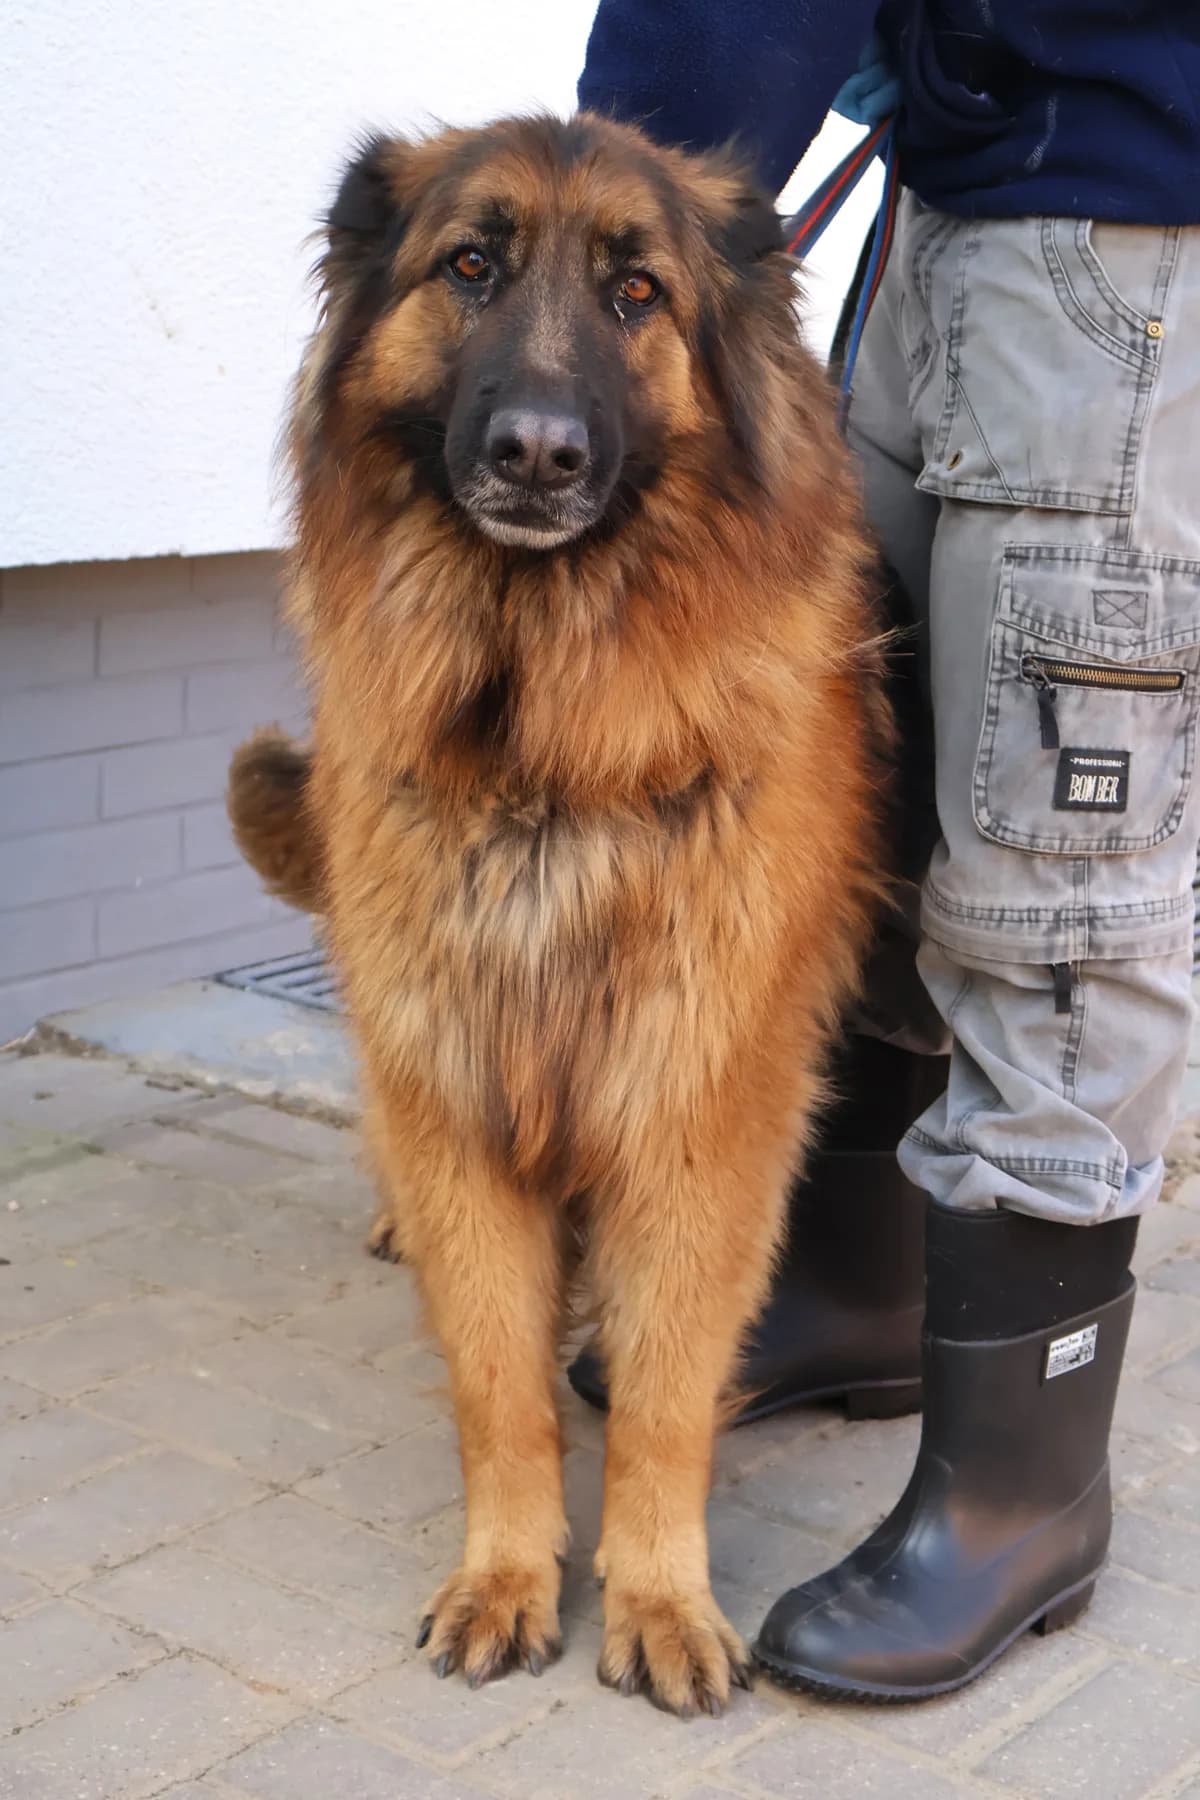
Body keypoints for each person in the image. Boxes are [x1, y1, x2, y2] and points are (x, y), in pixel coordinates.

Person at [572, 1, 1200, 1701]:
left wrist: (611, 196)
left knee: (1057, 881)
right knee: (862, 785)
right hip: (948, 203)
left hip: (1125, 233)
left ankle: (1022, 1488)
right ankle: (855, 1291)